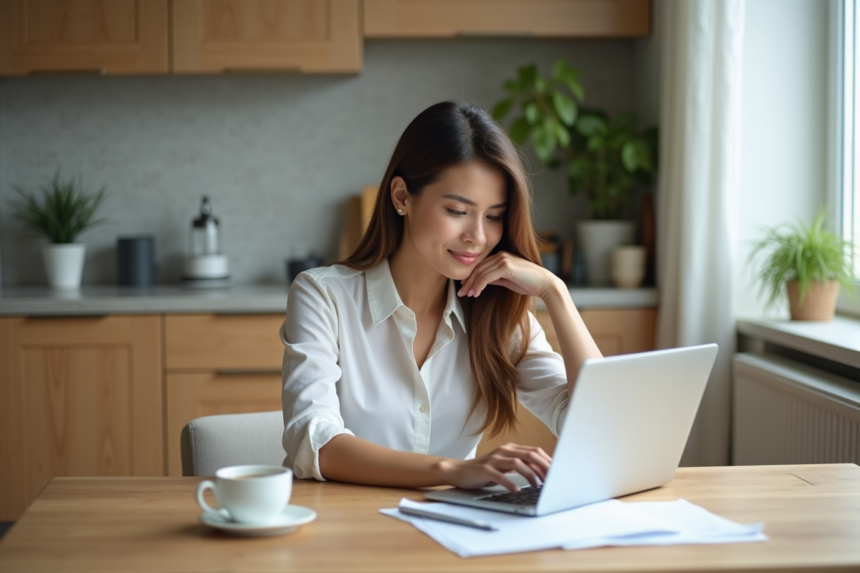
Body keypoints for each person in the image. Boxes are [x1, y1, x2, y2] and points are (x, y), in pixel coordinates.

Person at [281, 101, 602, 493]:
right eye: (457, 210)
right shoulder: (323, 296)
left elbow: (595, 429)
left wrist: (556, 293)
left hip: (454, 535)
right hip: (346, 532)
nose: (478, 237)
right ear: (402, 196)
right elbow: (314, 442)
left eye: (494, 216)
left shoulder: (497, 313)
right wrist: (452, 471)